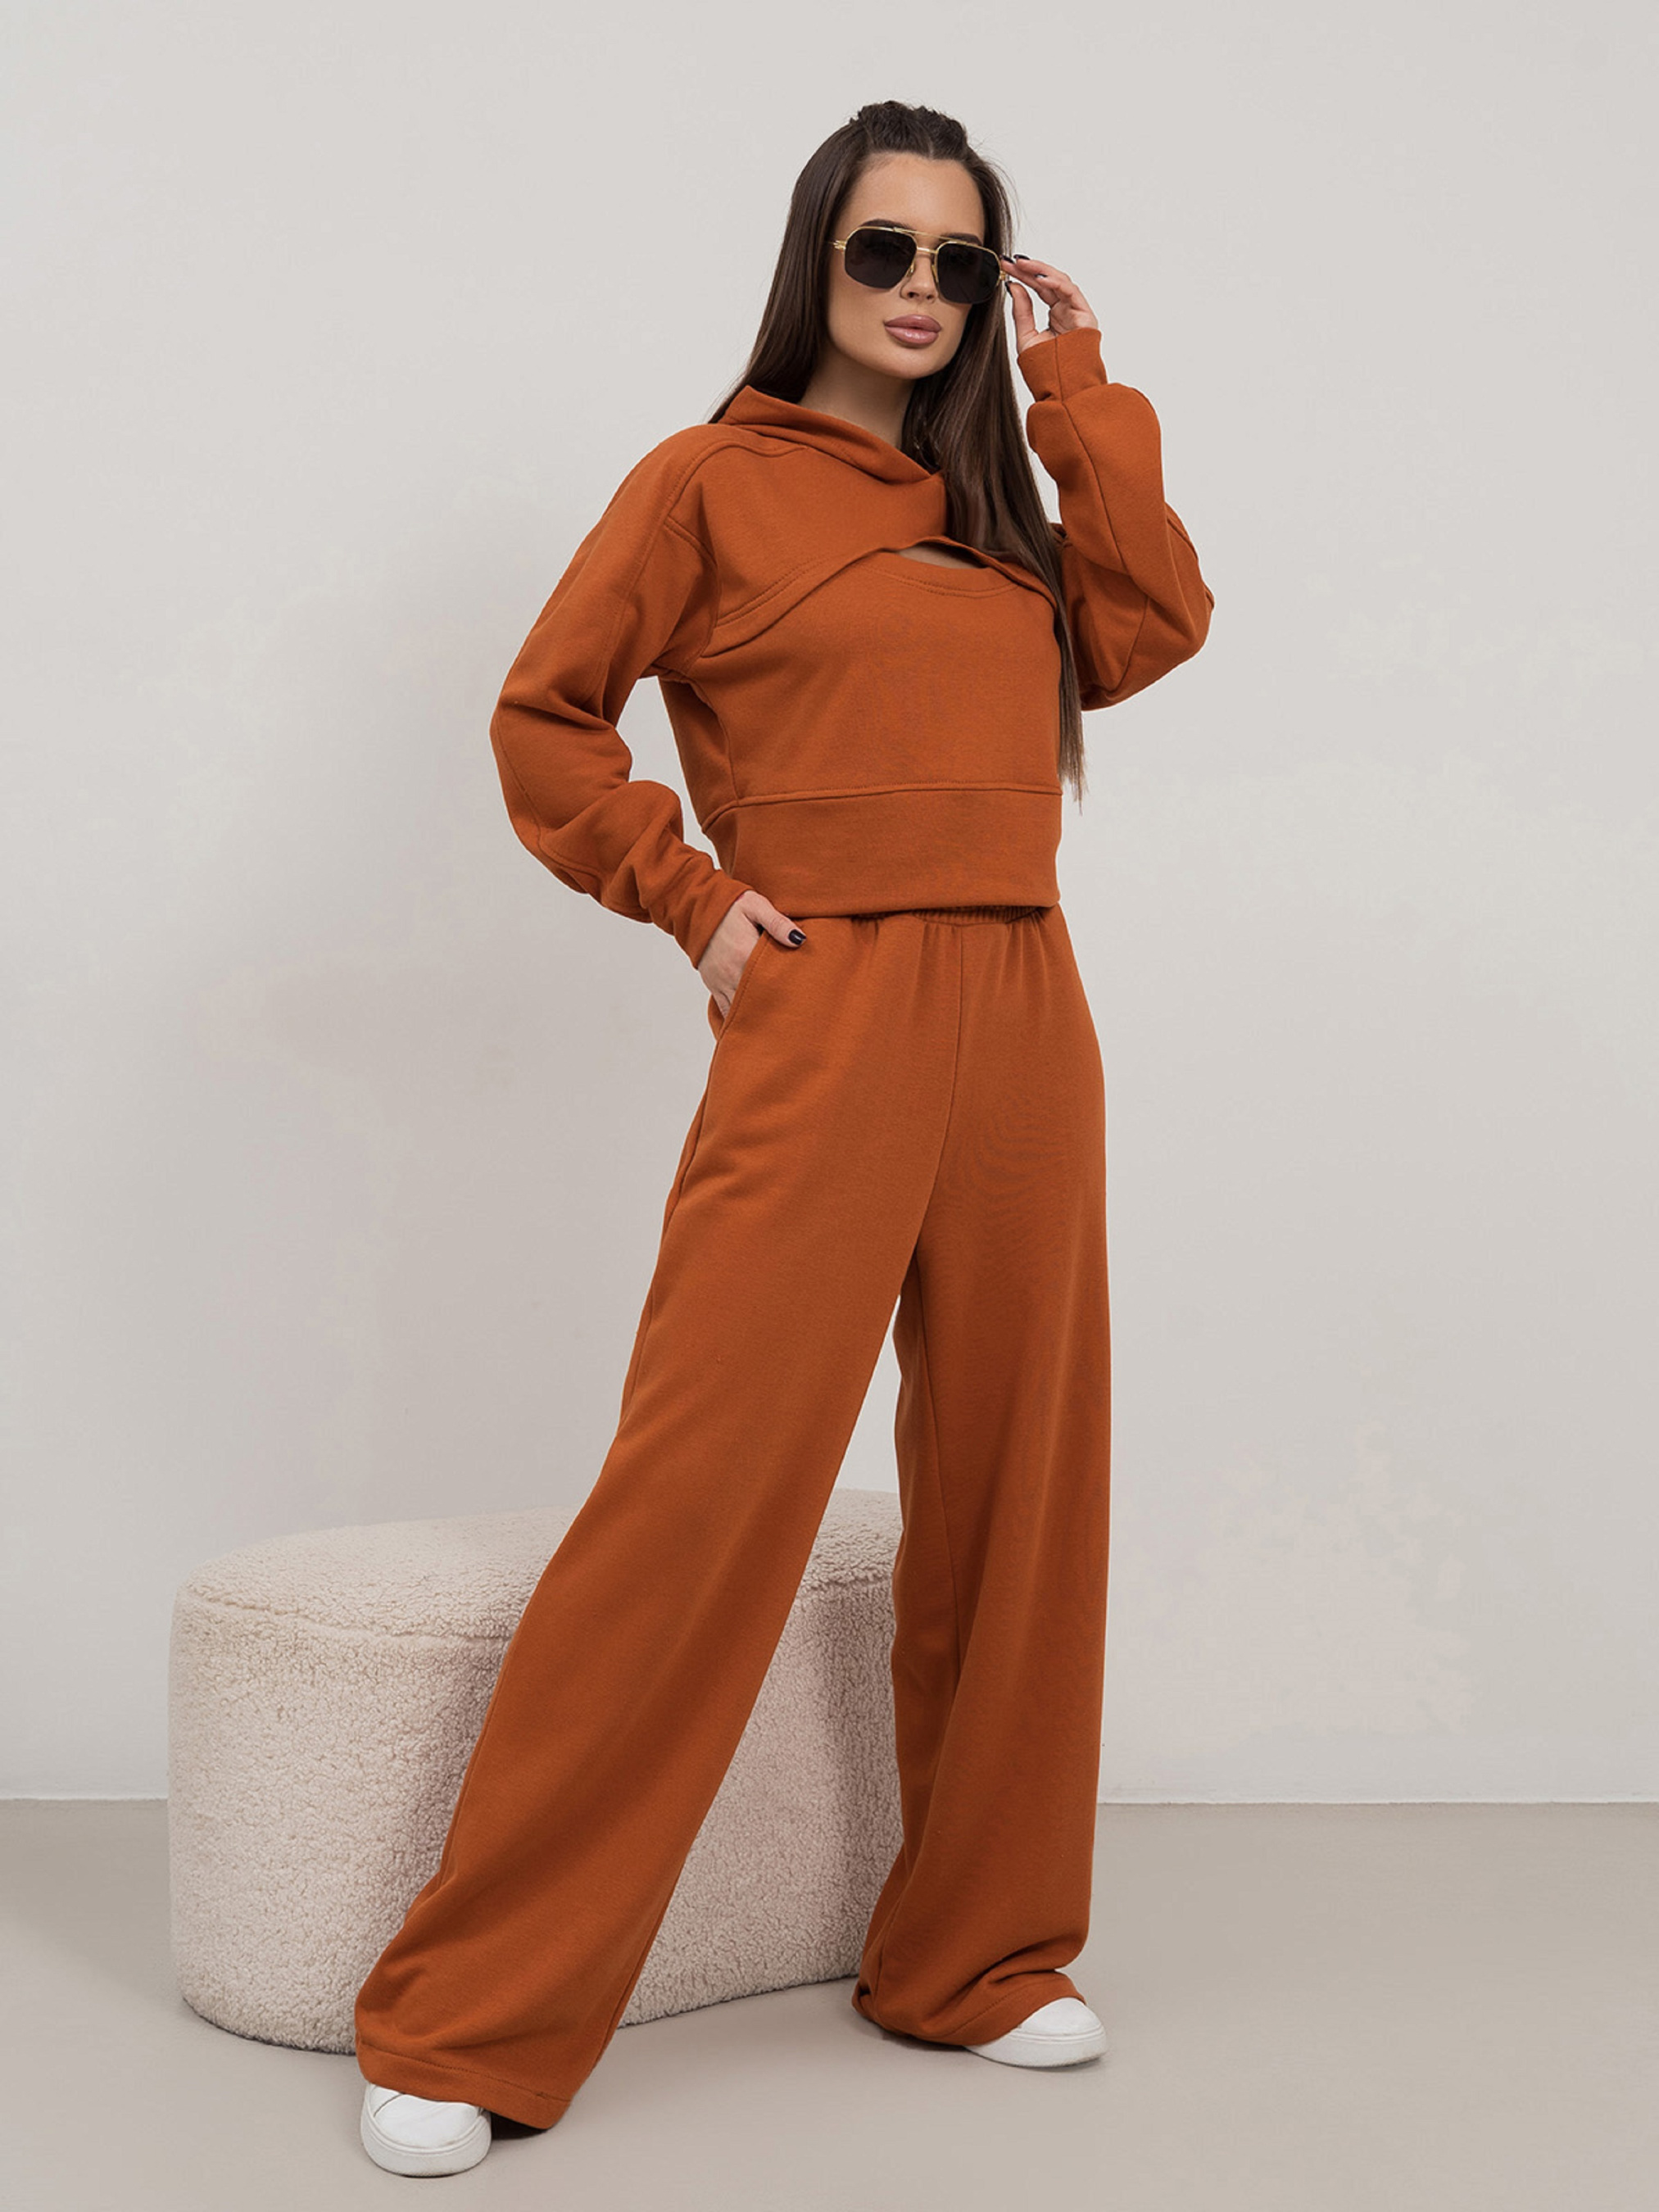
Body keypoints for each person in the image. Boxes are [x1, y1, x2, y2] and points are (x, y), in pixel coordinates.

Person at [353, 96, 1213, 2178]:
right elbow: (545, 717)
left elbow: (1150, 624)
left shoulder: (997, 512)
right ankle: (468, 2016)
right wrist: (690, 899)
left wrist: (1078, 391)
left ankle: (975, 1955)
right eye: (881, 250)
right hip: (824, 1005)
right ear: (814, 259)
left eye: (956, 262)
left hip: (1025, 999)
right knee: (703, 1490)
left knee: (1021, 1484)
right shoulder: (707, 483)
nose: (918, 289)